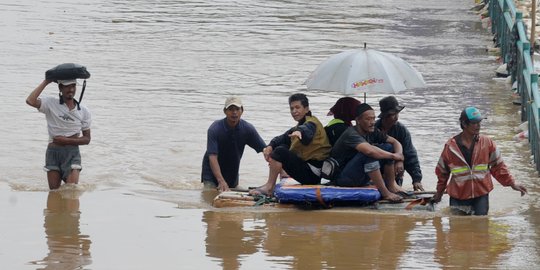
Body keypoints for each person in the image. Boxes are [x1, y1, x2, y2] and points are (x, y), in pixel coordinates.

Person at [432, 107, 527, 215]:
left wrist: (512, 183)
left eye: (479, 122)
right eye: (474, 123)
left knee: (481, 227)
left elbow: (498, 166)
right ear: (464, 124)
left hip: (480, 194)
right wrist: (439, 193)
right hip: (458, 195)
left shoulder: (487, 143)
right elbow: (442, 172)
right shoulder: (450, 147)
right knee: (457, 229)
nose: (478, 125)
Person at [249, 93, 331, 196]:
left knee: (280, 152)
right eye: (292, 108)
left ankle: (269, 187)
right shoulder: (300, 125)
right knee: (280, 146)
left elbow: (307, 131)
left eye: (297, 107)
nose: (294, 111)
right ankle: (276, 179)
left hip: (313, 174)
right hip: (308, 170)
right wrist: (270, 146)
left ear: (306, 109)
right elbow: (282, 138)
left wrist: (300, 132)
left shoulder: (311, 123)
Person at [330, 103, 405, 202]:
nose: (373, 122)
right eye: (368, 119)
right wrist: (394, 156)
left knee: (387, 147)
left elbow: (395, 142)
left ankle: (391, 186)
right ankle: (386, 193)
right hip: (342, 178)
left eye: (373, 118)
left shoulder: (372, 131)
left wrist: (399, 157)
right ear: (358, 120)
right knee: (370, 154)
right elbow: (369, 151)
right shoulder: (351, 134)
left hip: (359, 174)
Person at [26, 79, 92, 190]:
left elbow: (87, 139)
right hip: (53, 154)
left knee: (71, 191)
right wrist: (46, 81)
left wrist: (67, 141)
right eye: (67, 86)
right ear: (60, 88)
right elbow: (30, 101)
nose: (70, 89)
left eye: (73, 86)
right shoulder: (50, 103)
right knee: (54, 193)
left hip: (72, 154)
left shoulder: (84, 111)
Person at [201, 96, 266, 192]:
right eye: (230, 109)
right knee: (211, 196)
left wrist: (281, 170)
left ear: (242, 110)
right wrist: (221, 181)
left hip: (232, 174)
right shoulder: (214, 129)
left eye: (237, 109)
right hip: (211, 173)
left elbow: (265, 150)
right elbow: (212, 157)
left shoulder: (248, 129)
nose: (234, 112)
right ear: (225, 111)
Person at [374, 96, 424, 191]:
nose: (396, 118)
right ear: (385, 115)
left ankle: (395, 185)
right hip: (376, 172)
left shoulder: (401, 130)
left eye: (397, 114)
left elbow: (410, 154)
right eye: (393, 114)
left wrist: (416, 179)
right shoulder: (374, 129)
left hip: (395, 171)